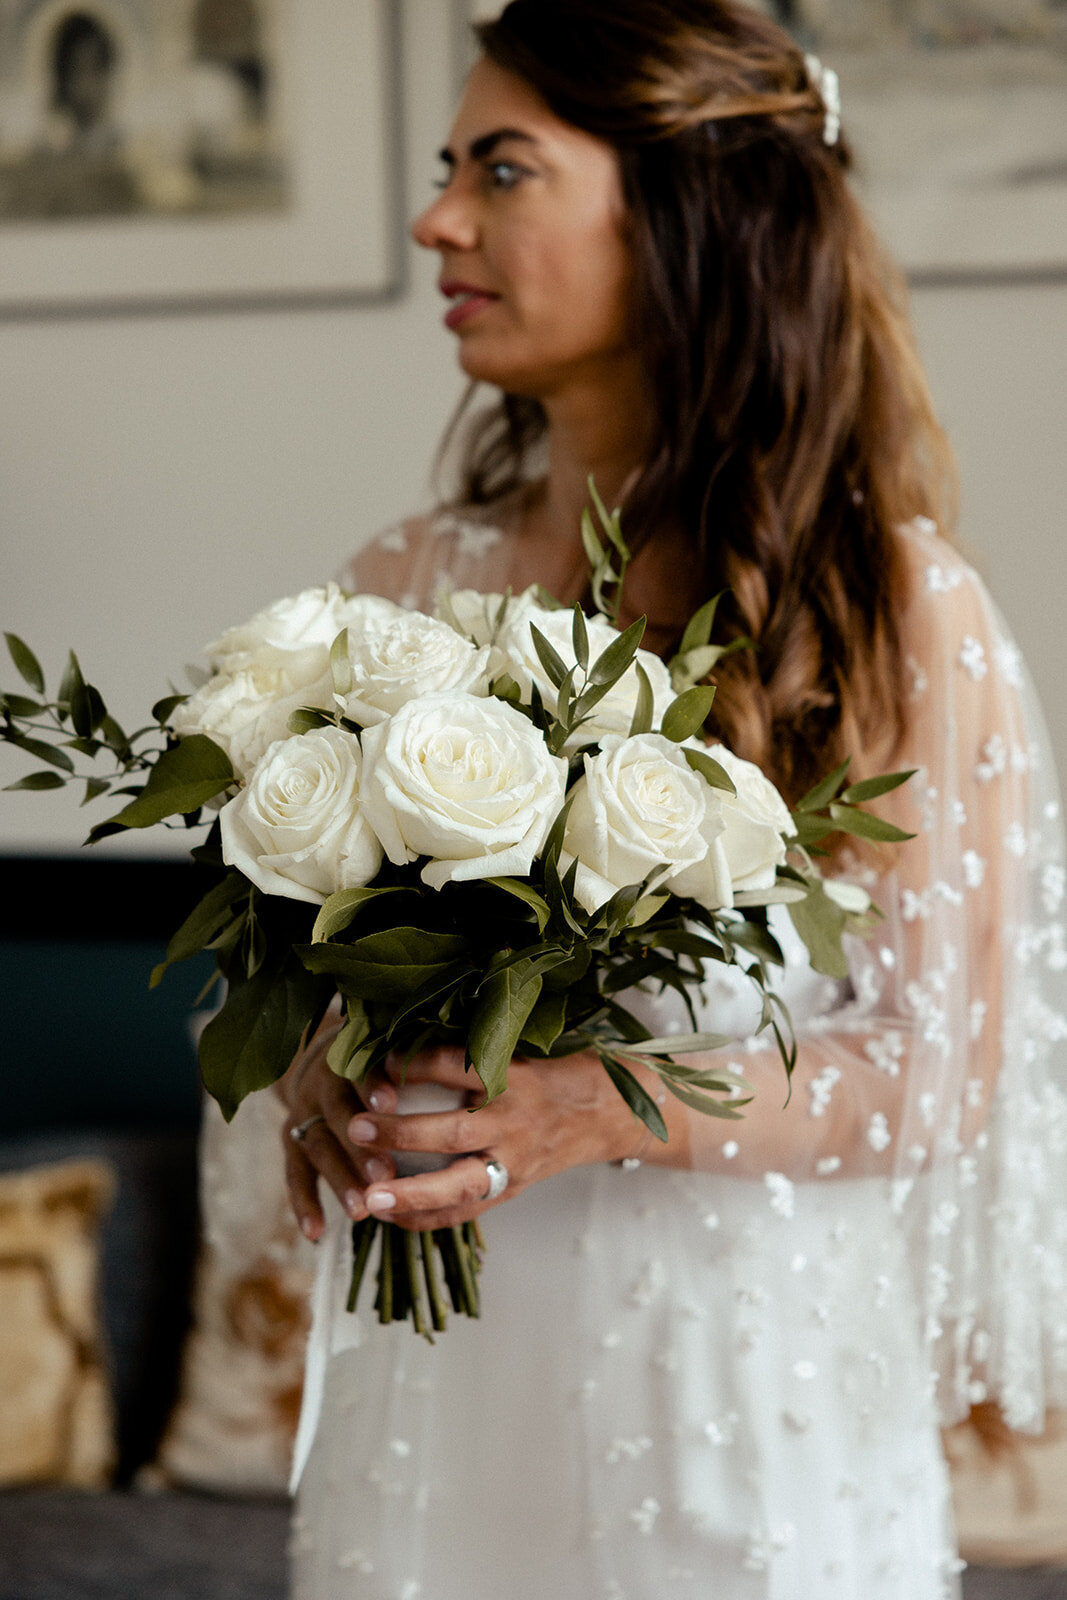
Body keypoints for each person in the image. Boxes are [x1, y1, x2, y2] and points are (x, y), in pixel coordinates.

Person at [277, 4, 1067, 1596]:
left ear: (688, 215)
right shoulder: (398, 594)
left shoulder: (885, 609)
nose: (439, 220)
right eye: (448, 171)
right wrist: (324, 1058)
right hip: (444, 1414)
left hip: (742, 1427)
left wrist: (594, 1104)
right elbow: (338, 965)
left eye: (503, 171)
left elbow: (935, 1071)